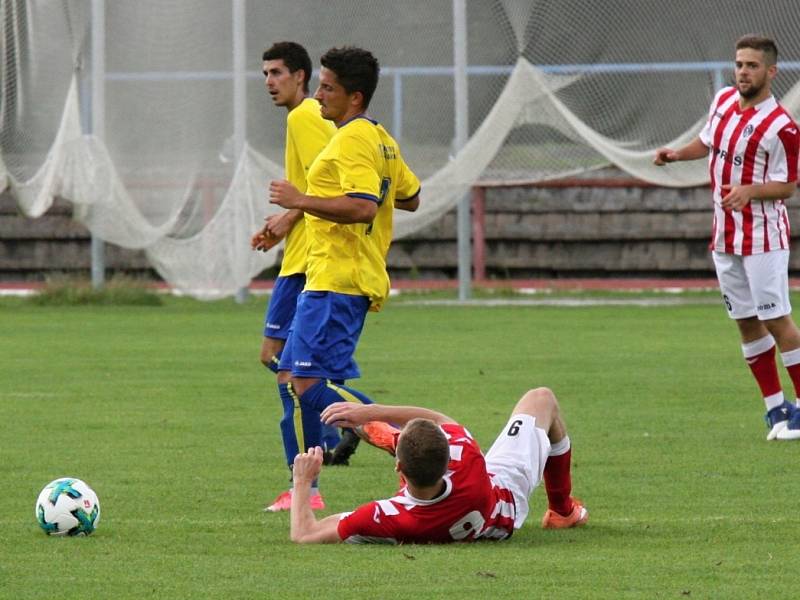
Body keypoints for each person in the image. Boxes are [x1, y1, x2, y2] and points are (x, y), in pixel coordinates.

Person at [269, 46, 421, 509]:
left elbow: (362, 206)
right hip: (330, 277)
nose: (318, 95)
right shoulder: (381, 139)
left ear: (354, 97)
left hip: (340, 279)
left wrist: (301, 199)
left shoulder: (354, 139)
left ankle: (413, 445)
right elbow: (411, 197)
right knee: (291, 375)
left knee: (310, 386)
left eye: (327, 87)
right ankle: (307, 490)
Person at [654, 34, 800, 441]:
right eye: (739, 64)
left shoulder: (782, 127)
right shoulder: (721, 102)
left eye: (752, 66)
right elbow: (707, 142)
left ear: (771, 72)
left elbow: (787, 185)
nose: (743, 72)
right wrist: (676, 155)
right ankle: (776, 409)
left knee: (775, 318)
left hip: (763, 237)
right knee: (745, 322)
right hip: (724, 236)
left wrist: (751, 191)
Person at [287, 387, 588, 544]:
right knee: (541, 398)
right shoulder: (468, 458)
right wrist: (372, 411)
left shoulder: (390, 517)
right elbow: (441, 421)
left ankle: (387, 437)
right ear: (449, 460)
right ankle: (562, 511)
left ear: (398, 470)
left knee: (398, 441)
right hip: (505, 495)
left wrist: (302, 480)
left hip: (467, 511)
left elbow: (304, 533)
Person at [249, 41, 344, 513]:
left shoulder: (303, 117)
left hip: (307, 262)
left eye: (278, 72)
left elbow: (330, 182)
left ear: (302, 76)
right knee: (281, 363)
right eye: (264, 73)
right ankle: (348, 418)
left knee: (288, 370)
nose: (269, 81)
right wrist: (284, 221)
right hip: (300, 257)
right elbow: (317, 182)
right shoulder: (307, 118)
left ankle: (350, 423)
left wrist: (291, 218)